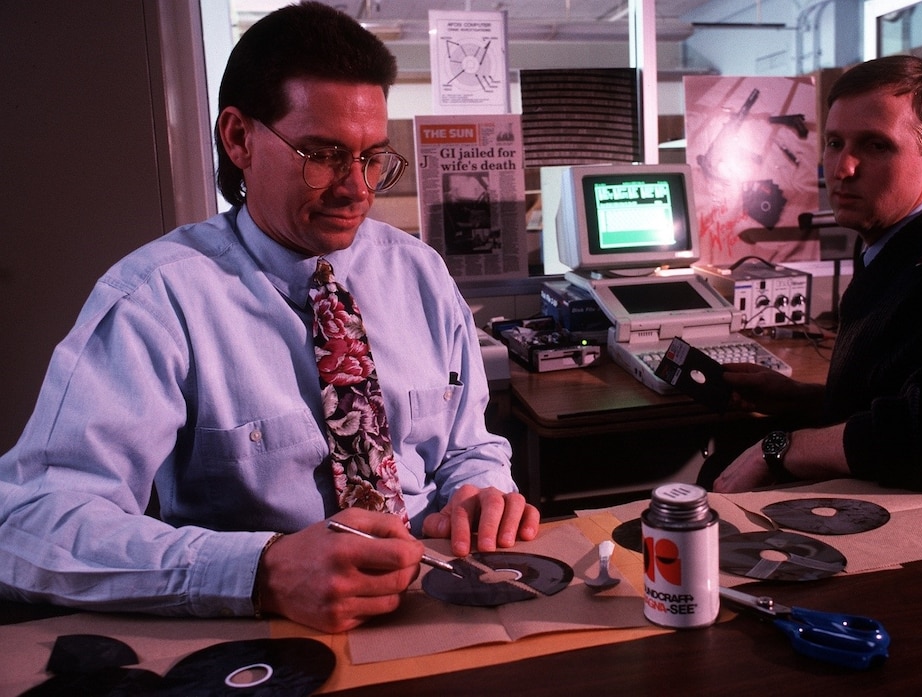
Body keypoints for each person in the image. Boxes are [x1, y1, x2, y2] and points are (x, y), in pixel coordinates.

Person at [0, 2, 537, 634]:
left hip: (439, 606)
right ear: (238, 139)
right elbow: (29, 525)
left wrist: (476, 493)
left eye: (372, 158)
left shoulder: (419, 274)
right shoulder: (157, 299)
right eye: (323, 154)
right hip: (269, 635)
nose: (357, 189)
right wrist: (261, 570)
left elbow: (467, 446)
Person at [705, 55, 922, 501]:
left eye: (876, 146)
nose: (842, 169)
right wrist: (798, 397)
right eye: (834, 143)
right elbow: (902, 401)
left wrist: (781, 447)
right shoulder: (893, 241)